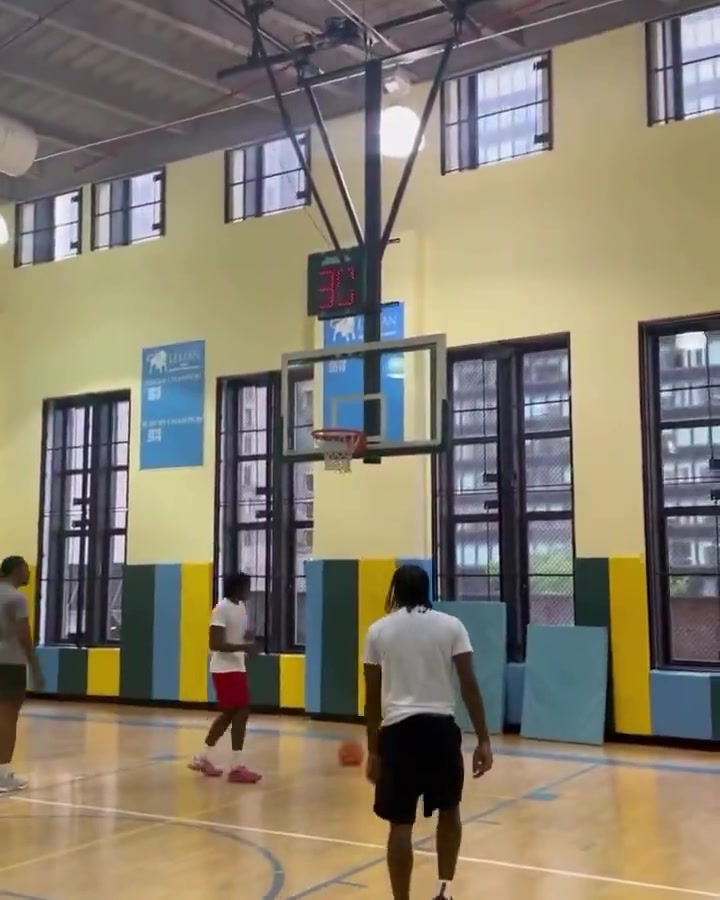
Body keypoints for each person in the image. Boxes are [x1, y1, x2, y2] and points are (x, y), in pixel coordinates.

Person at [363, 564, 493, 900]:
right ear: (427, 589)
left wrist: (373, 750)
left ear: (395, 591)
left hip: (397, 734)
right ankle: (444, 891)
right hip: (440, 731)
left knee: (400, 824)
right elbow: (469, 686)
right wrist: (483, 740)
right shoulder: (452, 626)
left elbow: (371, 699)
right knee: (449, 811)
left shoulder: (377, 631)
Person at [189, 572, 261, 784]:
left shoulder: (241, 608)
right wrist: (244, 647)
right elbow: (215, 643)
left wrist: (247, 638)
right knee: (240, 710)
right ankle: (235, 767)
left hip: (237, 667)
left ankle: (203, 757)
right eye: (246, 586)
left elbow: (236, 637)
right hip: (224, 669)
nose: (249, 590)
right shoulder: (221, 609)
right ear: (237, 588)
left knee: (232, 713)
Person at [0, 555, 44, 793]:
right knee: (7, 717)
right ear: (17, 570)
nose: (29, 572)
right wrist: (35, 665)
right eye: (26, 568)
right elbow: (23, 635)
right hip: (9, 662)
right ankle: (2, 775)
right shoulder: (17, 598)